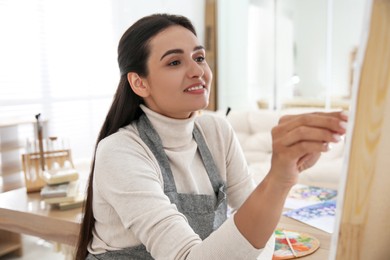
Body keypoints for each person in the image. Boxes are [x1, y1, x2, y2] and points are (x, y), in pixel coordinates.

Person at [75, 13, 348, 260]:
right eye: (174, 62)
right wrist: (277, 179)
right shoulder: (120, 151)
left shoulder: (217, 131)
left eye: (199, 57)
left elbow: (262, 237)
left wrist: (287, 175)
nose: (197, 71)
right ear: (139, 82)